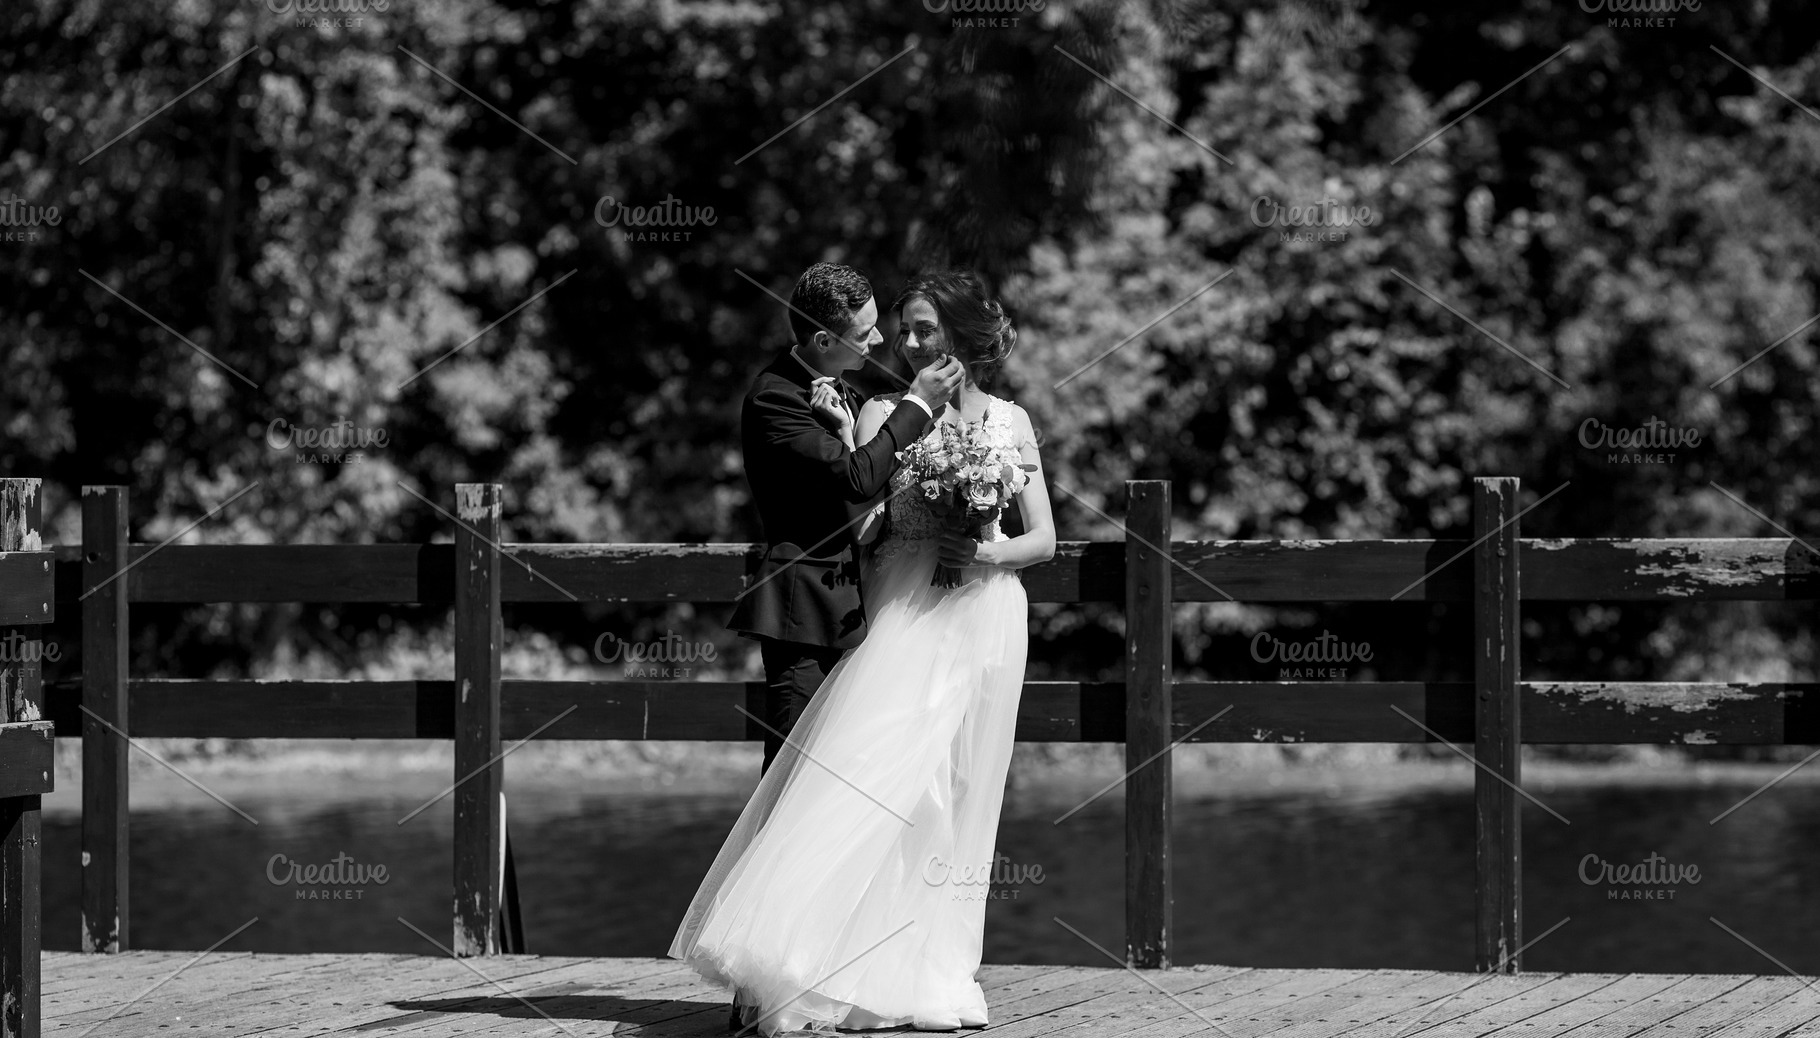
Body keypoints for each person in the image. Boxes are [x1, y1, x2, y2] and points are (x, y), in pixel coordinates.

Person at [672, 269, 1055, 1035]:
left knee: (959, 794)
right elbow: (860, 511)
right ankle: (811, 968)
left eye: (919, 328)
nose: (898, 342)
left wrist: (983, 548)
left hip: (982, 618)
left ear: (962, 337)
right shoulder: (879, 410)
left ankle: (930, 968)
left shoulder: (1011, 422)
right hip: (898, 614)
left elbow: (1043, 538)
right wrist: (895, 488)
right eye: (891, 326)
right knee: (884, 786)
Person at [725, 261, 965, 774]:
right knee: (791, 774)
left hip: (861, 611)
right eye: (864, 332)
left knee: (841, 779)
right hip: (804, 617)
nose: (880, 340)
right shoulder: (775, 398)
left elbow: (864, 493)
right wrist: (919, 405)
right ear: (821, 339)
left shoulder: (843, 391)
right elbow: (857, 477)